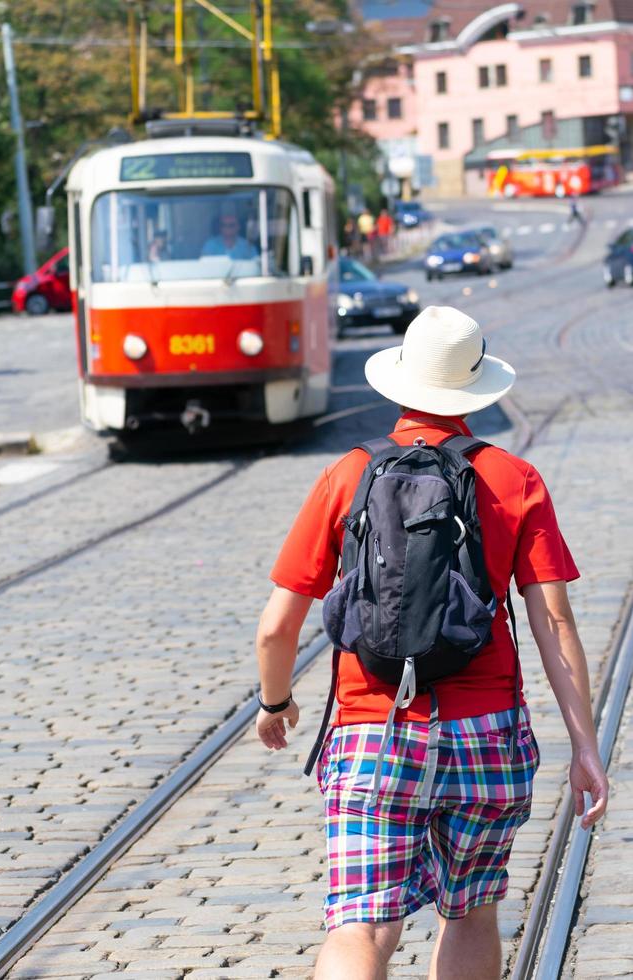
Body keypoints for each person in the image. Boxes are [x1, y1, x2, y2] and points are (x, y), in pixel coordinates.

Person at [255, 305, 608, 980]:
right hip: (487, 736)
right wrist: (585, 746)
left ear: (400, 383)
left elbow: (277, 627)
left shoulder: (345, 477)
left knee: (360, 926)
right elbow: (554, 623)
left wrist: (275, 703)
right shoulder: (515, 479)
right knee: (470, 913)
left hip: (370, 735)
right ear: (475, 390)